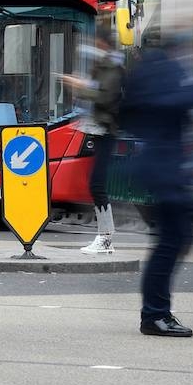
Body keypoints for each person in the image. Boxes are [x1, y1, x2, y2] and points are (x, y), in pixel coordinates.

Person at [119, 26, 193, 338]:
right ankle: (155, 315)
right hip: (163, 171)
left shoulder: (152, 70)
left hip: (165, 170)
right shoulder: (159, 70)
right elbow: (173, 102)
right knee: (170, 243)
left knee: (176, 240)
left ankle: (157, 312)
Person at [63, 26, 126, 255]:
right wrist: (81, 87)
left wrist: (81, 87)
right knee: (95, 183)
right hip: (99, 129)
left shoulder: (114, 68)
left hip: (106, 130)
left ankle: (106, 238)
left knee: (96, 184)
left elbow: (105, 97)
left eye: (97, 41)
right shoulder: (104, 66)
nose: (94, 45)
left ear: (103, 43)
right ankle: (104, 237)